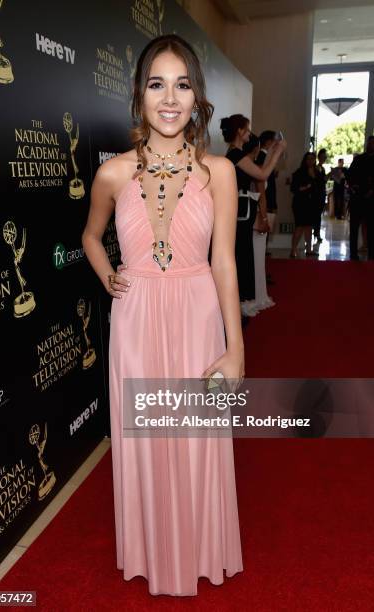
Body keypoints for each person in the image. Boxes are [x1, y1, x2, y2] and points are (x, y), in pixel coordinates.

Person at [82, 34, 245, 596]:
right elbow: (89, 237)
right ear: (139, 95)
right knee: (148, 443)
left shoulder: (218, 172)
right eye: (157, 84)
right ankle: (153, 552)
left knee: (196, 440)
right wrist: (108, 276)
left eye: (182, 85)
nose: (170, 98)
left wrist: (236, 346)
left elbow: (224, 262)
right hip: (135, 321)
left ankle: (197, 549)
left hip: (199, 318)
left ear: (198, 98)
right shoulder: (113, 174)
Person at [221, 115, 286, 317]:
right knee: (241, 254)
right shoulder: (235, 154)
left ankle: (242, 300)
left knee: (243, 253)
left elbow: (260, 171)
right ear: (240, 131)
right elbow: (262, 174)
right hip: (238, 212)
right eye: (247, 129)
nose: (249, 133)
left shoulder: (237, 154)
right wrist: (279, 151)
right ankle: (238, 301)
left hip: (242, 212)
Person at [255, 130, 279, 280]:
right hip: (264, 203)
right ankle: (260, 274)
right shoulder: (263, 157)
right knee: (260, 241)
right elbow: (262, 184)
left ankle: (261, 273)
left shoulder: (263, 156)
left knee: (262, 242)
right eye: (275, 142)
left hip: (266, 202)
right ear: (269, 142)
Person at [347, 136, 374, 260]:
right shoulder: (358, 159)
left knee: (371, 229)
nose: (371, 145)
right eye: (369, 143)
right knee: (354, 228)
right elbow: (350, 176)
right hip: (357, 199)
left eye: (373, 143)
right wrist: (353, 186)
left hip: (372, 200)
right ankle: (353, 254)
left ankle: (372, 256)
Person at [290, 152, 320, 258]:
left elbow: (320, 187)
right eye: (308, 159)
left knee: (309, 227)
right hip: (300, 203)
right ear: (305, 160)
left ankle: (309, 249)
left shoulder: (317, 172)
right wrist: (304, 188)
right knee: (299, 226)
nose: (310, 161)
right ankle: (293, 249)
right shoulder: (299, 172)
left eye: (312, 159)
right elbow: (293, 188)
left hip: (312, 204)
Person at [314, 148, 328, 242]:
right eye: (323, 157)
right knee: (316, 215)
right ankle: (316, 233)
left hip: (322, 193)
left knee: (318, 215)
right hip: (317, 194)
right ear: (319, 157)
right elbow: (320, 181)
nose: (324, 158)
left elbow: (324, 181)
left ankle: (316, 233)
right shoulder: (316, 168)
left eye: (325, 157)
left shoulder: (322, 168)